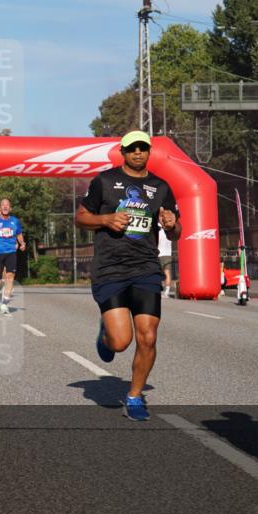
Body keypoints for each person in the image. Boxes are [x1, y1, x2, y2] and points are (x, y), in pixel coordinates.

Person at [74, 130, 180, 422]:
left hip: (145, 267)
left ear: (149, 152)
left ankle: (134, 396)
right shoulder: (104, 182)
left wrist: (172, 224)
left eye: (142, 148)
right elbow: (80, 217)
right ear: (123, 152)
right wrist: (106, 219)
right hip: (110, 268)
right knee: (121, 342)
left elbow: (175, 229)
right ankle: (106, 334)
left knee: (147, 336)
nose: (137, 153)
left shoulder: (160, 187)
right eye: (132, 148)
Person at [0, 198, 26, 315]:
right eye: (3, 205)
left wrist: (22, 243)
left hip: (11, 252)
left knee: (10, 277)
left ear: (10, 208)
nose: (5, 207)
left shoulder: (15, 221)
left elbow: (19, 234)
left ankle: (4, 304)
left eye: (7, 205)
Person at [158, 227, 174, 298]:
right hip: (168, 254)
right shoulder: (170, 233)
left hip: (159, 255)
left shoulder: (159, 233)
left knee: (159, 274)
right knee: (167, 273)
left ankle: (159, 291)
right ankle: (166, 292)